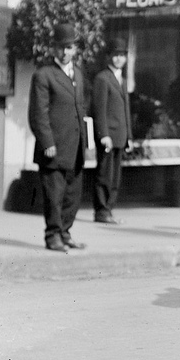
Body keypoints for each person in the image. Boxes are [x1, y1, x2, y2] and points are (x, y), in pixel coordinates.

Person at [28, 22, 88, 253]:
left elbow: (81, 110)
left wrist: (86, 142)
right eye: (60, 47)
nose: (65, 52)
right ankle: (53, 235)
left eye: (69, 47)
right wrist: (47, 142)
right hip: (54, 147)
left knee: (72, 195)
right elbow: (38, 114)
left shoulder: (79, 75)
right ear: (53, 49)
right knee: (54, 195)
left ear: (76, 49)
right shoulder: (44, 75)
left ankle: (65, 232)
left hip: (75, 147)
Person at [92, 38, 132, 225]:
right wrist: (103, 134)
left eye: (122, 55)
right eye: (115, 55)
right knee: (104, 174)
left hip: (120, 135)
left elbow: (126, 110)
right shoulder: (102, 78)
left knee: (116, 176)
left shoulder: (122, 80)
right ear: (108, 56)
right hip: (108, 135)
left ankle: (109, 208)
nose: (118, 59)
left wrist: (129, 136)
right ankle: (101, 210)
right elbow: (99, 110)